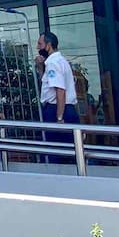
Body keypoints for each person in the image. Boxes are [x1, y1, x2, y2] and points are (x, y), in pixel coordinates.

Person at [37, 31, 78, 161]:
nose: (37, 47)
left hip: (57, 109)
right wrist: (40, 68)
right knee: (70, 150)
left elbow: (60, 90)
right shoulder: (62, 61)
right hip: (66, 108)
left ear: (48, 45)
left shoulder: (53, 63)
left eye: (40, 44)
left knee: (55, 152)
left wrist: (59, 117)